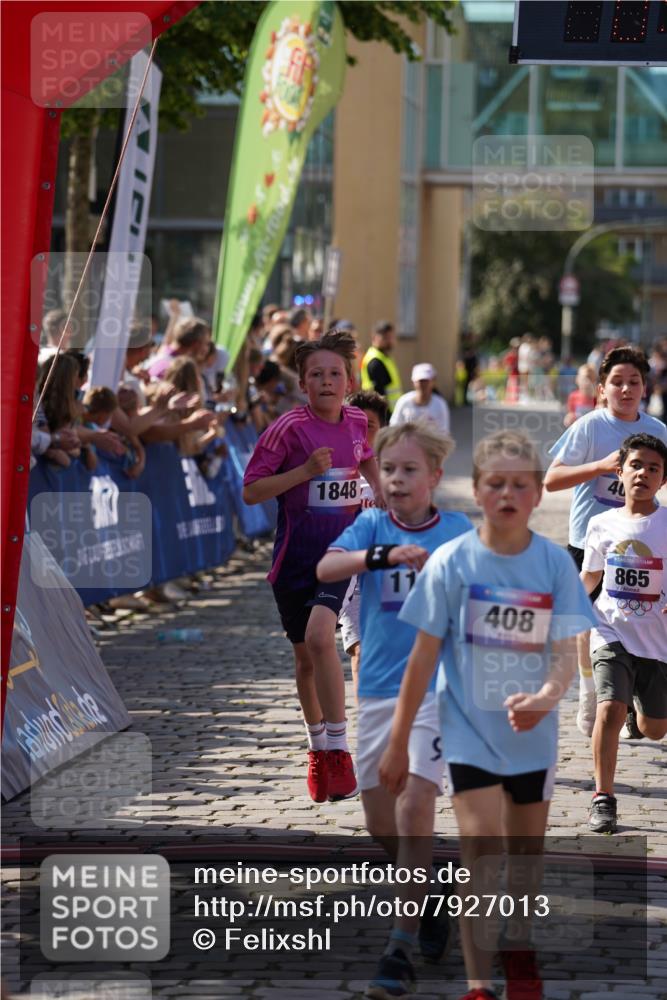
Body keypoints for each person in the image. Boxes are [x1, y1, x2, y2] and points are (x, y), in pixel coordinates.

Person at [379, 431, 594, 1000]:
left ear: (534, 493)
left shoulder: (551, 563)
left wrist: (548, 696)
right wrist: (399, 742)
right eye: (494, 483)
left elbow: (564, 653)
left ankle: (518, 945)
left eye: (519, 484)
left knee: (525, 856)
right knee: (479, 848)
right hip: (467, 731)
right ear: (475, 490)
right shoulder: (452, 563)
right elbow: (421, 661)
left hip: (532, 739)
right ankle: (479, 985)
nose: (506, 493)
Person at [317, 422, 472, 999]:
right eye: (389, 470)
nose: (398, 479)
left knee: (413, 812)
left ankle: (397, 949)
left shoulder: (457, 530)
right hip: (379, 691)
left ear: (434, 476)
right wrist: (377, 556)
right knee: (380, 824)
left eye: (410, 469)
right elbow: (325, 570)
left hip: (437, 694)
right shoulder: (371, 525)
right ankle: (431, 896)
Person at [242, 331, 383, 803]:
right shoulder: (289, 428)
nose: (327, 381)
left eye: (335, 374)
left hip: (340, 554)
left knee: (324, 639)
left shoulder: (359, 420)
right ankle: (319, 750)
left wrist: (380, 493)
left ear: (349, 380)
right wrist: (302, 473)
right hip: (294, 561)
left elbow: (366, 462)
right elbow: (252, 490)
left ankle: (340, 751)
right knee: (305, 660)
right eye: (317, 375)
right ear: (304, 384)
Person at [545, 346, 667, 737]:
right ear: (601, 389)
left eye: (634, 382)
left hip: (637, 544)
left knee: (633, 619)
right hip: (589, 539)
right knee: (590, 623)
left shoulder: (658, 431)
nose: (626, 389)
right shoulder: (590, 426)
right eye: (617, 382)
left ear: (645, 388)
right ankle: (591, 693)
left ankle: (629, 700)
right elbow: (551, 480)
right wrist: (599, 466)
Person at [580, 433, 667, 834]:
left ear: (663, 479)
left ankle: (637, 709)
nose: (643, 473)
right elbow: (592, 575)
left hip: (658, 641)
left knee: (655, 729)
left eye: (653, 468)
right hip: (610, 629)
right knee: (609, 708)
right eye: (636, 465)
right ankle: (603, 798)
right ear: (620, 471)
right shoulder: (601, 524)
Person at [336, 390, 388, 698]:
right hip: (350, 577)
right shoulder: (335, 473)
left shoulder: (396, 473)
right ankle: (371, 728)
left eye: (369, 425)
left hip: (387, 576)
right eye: (356, 424)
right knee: (360, 651)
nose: (362, 431)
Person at [390, 363, 450, 433]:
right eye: (420, 381)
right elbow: (394, 426)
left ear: (433, 382)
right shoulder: (404, 402)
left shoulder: (440, 404)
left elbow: (444, 431)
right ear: (413, 382)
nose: (423, 384)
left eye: (426, 381)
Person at [360, 321, 403, 413]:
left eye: (391, 337)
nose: (390, 341)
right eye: (386, 338)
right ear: (374, 337)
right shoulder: (375, 361)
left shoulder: (384, 358)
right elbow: (379, 393)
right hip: (384, 413)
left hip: (391, 411)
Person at [563, 363, 597, 428]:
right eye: (583, 379)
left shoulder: (597, 397)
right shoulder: (573, 396)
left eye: (590, 379)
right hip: (579, 429)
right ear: (577, 380)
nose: (586, 382)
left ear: (594, 381)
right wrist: (569, 419)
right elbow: (571, 413)